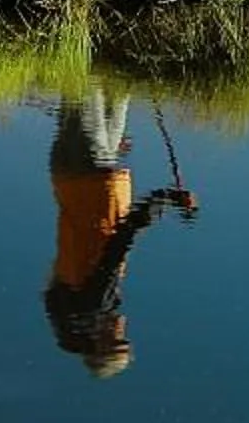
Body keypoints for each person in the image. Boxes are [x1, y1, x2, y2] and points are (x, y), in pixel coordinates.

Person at [42, 85, 195, 378]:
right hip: (86, 170)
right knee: (118, 85)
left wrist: (168, 198)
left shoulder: (94, 300)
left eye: (120, 340)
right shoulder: (75, 302)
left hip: (88, 170)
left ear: (102, 343)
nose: (123, 328)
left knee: (91, 82)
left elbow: (123, 236)